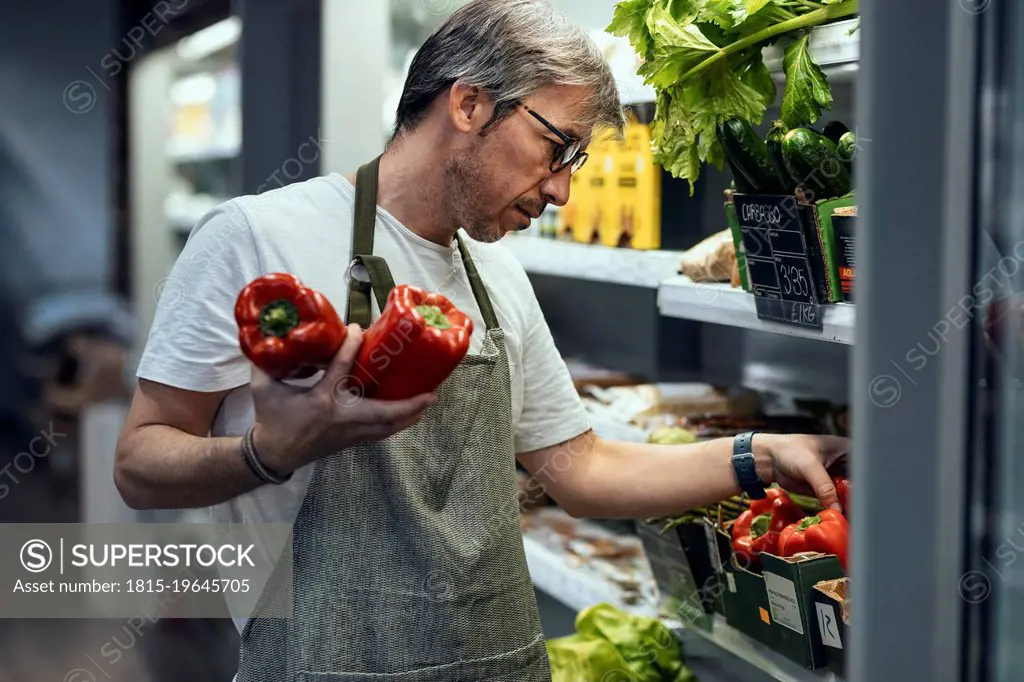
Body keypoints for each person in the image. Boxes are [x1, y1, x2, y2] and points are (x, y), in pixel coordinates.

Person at [114, 1, 851, 679]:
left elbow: (581, 470)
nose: (562, 190)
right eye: (557, 148)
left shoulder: (498, 277)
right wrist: (268, 452)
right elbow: (140, 464)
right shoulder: (257, 236)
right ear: (467, 103)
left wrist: (759, 454)